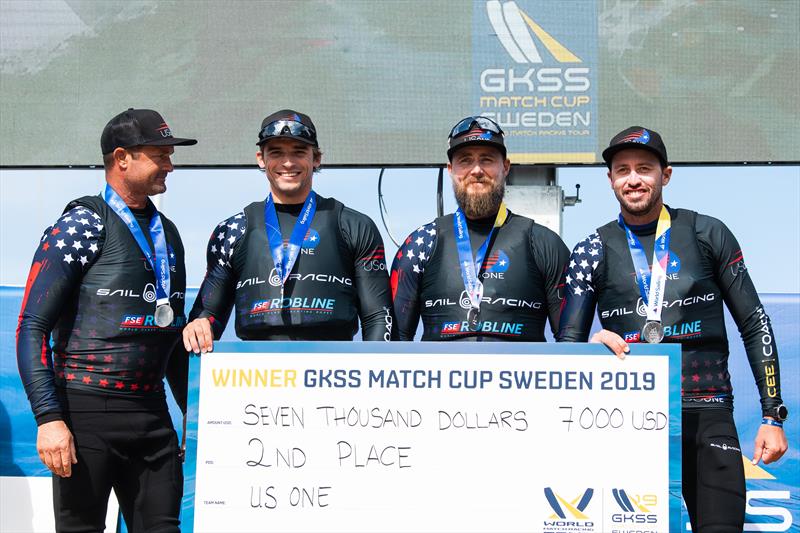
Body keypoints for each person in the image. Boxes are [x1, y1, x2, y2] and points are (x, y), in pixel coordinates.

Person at [557, 126, 788, 531]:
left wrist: (772, 416)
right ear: (609, 179)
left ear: (665, 175)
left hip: (708, 413)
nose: (633, 179)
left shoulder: (707, 232)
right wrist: (592, 346)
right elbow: (567, 345)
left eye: (644, 169)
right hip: (628, 418)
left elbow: (754, 323)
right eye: (622, 170)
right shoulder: (590, 249)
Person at [16, 108, 197, 532]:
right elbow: (31, 328)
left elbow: (172, 334)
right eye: (160, 155)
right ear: (122, 158)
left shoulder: (167, 233)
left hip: (152, 419)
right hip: (84, 417)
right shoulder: (80, 224)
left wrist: (198, 413)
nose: (170, 164)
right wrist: (48, 419)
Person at [183, 109, 393, 351]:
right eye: (276, 153)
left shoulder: (354, 225)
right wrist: (198, 325)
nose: (288, 162)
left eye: (299, 152)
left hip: (332, 375)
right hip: (255, 377)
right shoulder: (232, 230)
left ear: (316, 158)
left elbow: (378, 317)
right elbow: (207, 316)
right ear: (261, 159)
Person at [390, 116, 569, 341]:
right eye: (465, 160)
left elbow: (573, 342)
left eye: (486, 159)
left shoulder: (543, 243)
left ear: (505, 167)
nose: (476, 170)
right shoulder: (420, 244)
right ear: (450, 169)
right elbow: (393, 344)